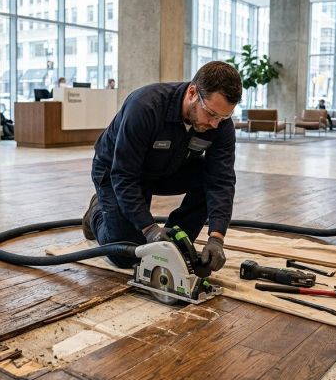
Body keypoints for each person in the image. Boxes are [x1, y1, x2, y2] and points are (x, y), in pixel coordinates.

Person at [81, 61, 242, 273]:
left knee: (208, 176)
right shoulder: (145, 106)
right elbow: (123, 175)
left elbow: (221, 180)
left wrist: (217, 237)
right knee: (126, 254)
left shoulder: (220, 124)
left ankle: (175, 237)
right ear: (193, 93)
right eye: (211, 114)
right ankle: (96, 213)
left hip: (166, 168)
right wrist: (149, 229)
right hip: (114, 171)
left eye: (223, 117)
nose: (215, 124)